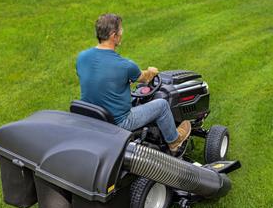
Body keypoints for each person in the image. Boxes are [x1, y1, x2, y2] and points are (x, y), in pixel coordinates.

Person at [76, 13, 191, 152]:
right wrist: (152, 71)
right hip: (119, 122)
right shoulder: (125, 65)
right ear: (114, 36)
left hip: (91, 116)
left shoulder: (81, 58)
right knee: (162, 105)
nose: (122, 32)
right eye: (120, 30)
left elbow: (97, 78)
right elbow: (145, 78)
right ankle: (174, 141)